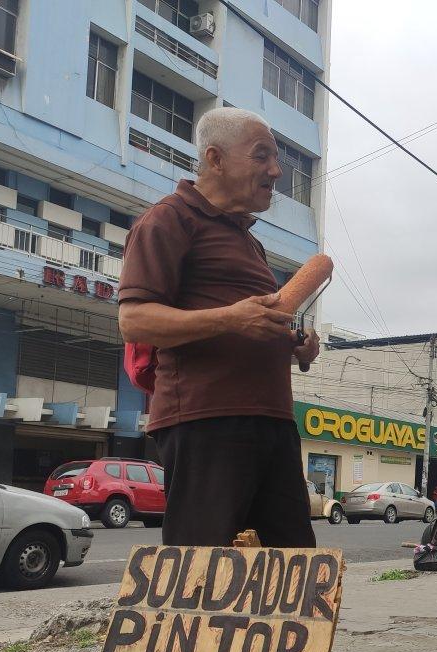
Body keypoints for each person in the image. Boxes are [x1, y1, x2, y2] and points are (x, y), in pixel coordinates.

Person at [118, 108, 320, 547]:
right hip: (206, 420)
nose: (276, 171)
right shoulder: (168, 220)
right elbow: (134, 319)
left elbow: (250, 326)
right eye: (262, 156)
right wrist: (232, 317)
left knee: (291, 568)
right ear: (215, 159)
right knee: (202, 568)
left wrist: (294, 346)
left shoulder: (250, 240)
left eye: (276, 159)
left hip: (273, 420)